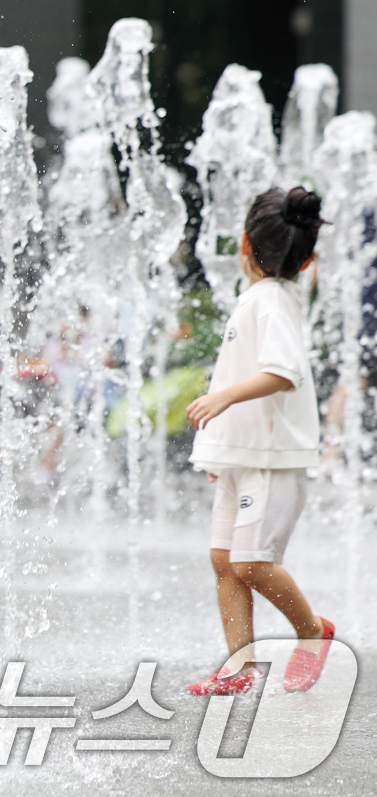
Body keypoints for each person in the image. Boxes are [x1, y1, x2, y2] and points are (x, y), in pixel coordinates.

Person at [183, 186, 335, 695]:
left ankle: (313, 633)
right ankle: (239, 667)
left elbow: (282, 373)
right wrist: (219, 448)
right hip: (242, 457)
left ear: (244, 244)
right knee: (224, 562)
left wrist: (221, 400)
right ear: (308, 256)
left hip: (271, 462)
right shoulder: (260, 299)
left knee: (251, 563)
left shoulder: (270, 302)